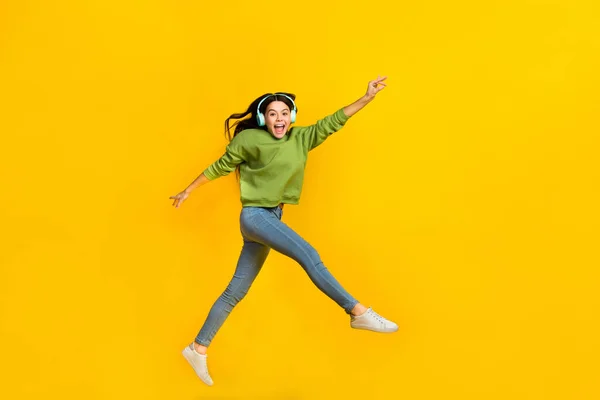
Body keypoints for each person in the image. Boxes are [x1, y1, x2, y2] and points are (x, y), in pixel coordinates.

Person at [170, 76, 398, 386]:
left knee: (235, 292)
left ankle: (198, 348)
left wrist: (366, 97)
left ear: (292, 116)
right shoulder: (249, 141)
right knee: (309, 255)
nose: (279, 119)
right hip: (255, 216)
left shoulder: (301, 138)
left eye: (285, 113)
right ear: (264, 118)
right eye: (273, 113)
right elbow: (219, 166)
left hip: (271, 216)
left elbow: (333, 121)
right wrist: (188, 190)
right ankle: (358, 312)